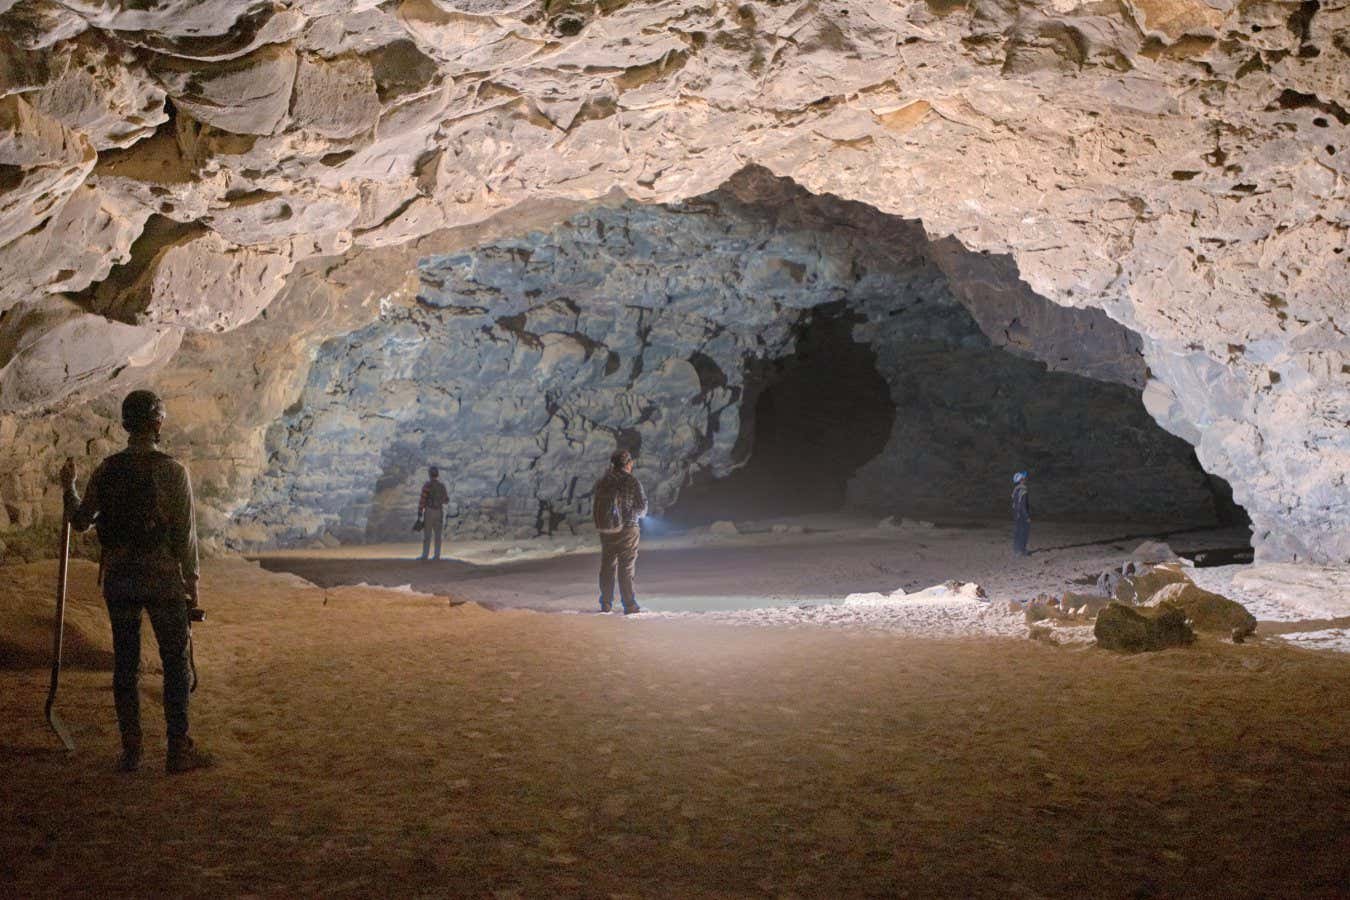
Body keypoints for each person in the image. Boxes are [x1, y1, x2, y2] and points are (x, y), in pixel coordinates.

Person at [60, 389, 212, 774]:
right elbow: (185, 535)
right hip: (162, 578)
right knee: (175, 663)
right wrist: (192, 582)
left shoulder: (108, 470)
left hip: (121, 578)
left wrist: (68, 485)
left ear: (127, 424)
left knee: (125, 665)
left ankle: (131, 750)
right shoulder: (173, 472)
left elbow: (79, 520)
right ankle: (178, 749)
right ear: (158, 423)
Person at [592, 449, 647, 614]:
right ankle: (629, 605)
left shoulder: (602, 481)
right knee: (626, 567)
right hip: (628, 529)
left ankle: (606, 603)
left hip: (607, 529)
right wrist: (636, 514)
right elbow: (642, 508)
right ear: (628, 463)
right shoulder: (632, 481)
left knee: (607, 565)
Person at [417, 466, 450, 561]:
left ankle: (425, 555)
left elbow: (422, 500)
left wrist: (420, 512)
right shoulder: (442, 486)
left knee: (427, 535)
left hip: (429, 511)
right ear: (437, 474)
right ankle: (437, 555)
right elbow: (446, 500)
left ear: (429, 474)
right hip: (439, 511)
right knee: (438, 535)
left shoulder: (427, 486)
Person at [1012, 470, 1031, 557]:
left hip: (1016, 514)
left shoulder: (1015, 490)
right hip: (1022, 514)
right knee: (1024, 532)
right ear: (1021, 480)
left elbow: (1015, 504)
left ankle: (1016, 550)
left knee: (1017, 531)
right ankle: (1022, 550)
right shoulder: (1023, 490)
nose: (1025, 479)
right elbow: (1023, 505)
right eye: (1024, 478)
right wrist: (1026, 516)